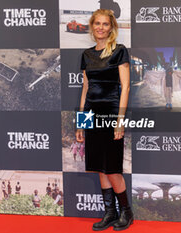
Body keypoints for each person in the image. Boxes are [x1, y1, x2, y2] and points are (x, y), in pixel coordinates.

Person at [76, 9, 133, 231]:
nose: (101, 27)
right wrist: (81, 121)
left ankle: (127, 214)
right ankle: (110, 213)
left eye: (105, 24)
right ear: (92, 26)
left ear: (111, 28)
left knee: (112, 169)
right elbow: (85, 88)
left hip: (110, 113)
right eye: (97, 23)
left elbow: (125, 87)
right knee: (100, 168)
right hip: (91, 114)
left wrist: (120, 120)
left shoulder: (119, 51)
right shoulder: (86, 55)